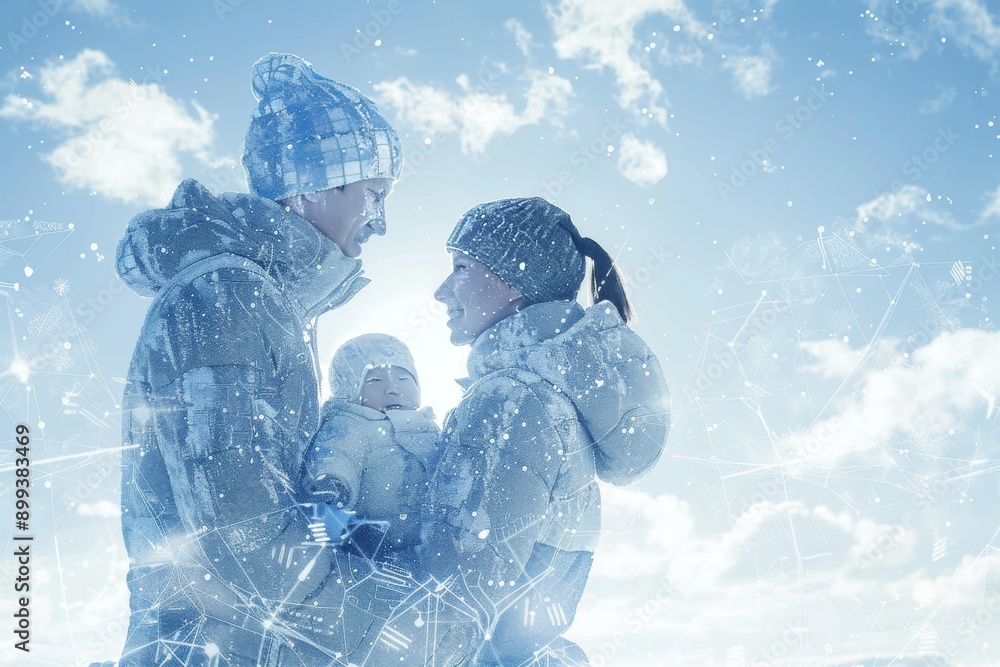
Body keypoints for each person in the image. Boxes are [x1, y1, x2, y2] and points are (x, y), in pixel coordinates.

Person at [114, 52, 401, 666]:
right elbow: (245, 550)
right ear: (317, 180)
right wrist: (404, 620)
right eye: (374, 194)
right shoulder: (228, 295)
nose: (381, 222)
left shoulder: (265, 301)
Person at [418, 197, 671, 665]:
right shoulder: (549, 397)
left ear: (514, 282)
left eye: (460, 267)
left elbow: (453, 601)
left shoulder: (511, 400)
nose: (441, 291)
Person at [304, 333, 441, 567]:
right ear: (349, 388)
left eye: (403, 379)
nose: (392, 389)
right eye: (375, 380)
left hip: (427, 536)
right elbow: (338, 454)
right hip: (373, 536)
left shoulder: (430, 427)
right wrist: (334, 481)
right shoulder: (352, 423)